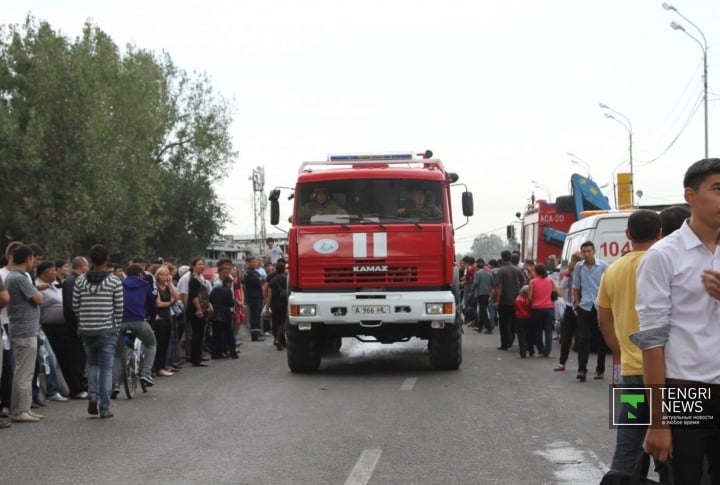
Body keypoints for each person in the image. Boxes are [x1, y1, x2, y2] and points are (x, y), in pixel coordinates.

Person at [631, 159, 720, 483]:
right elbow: (652, 340)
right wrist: (658, 421)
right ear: (691, 196)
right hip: (686, 392)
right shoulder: (663, 256)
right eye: (717, 189)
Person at [596, 209, 662, 474]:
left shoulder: (612, 270)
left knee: (627, 444)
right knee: (677, 446)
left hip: (631, 372)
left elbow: (603, 319)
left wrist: (620, 350)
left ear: (627, 235)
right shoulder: (664, 263)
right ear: (661, 234)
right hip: (665, 373)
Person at [73, 244, 123, 419]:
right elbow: (119, 308)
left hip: (87, 329)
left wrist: (84, 320)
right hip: (106, 330)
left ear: (91, 261)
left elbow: (75, 306)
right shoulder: (114, 281)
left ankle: (92, 394)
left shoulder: (80, 281)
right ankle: (104, 407)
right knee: (106, 368)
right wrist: (116, 326)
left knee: (92, 364)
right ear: (107, 260)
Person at [6, 245, 44, 423]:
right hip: (24, 331)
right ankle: (19, 410)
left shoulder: (16, 276)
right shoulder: (19, 278)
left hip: (25, 329)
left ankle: (25, 408)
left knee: (26, 372)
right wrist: (37, 292)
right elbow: (38, 298)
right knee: (23, 372)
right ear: (28, 259)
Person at [572, 240, 609, 382]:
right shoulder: (579, 267)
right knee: (582, 338)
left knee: (601, 339)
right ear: (582, 253)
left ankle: (600, 369)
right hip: (585, 306)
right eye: (584, 252)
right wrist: (577, 302)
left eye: (589, 251)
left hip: (600, 306)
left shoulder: (603, 266)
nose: (587, 254)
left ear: (594, 251)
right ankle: (582, 369)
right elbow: (576, 286)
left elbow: (608, 286)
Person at [61, 256, 89, 399]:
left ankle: (81, 384)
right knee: (77, 357)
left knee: (80, 356)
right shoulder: (73, 281)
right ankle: (77, 387)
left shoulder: (72, 280)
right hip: (74, 325)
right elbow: (72, 305)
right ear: (82, 266)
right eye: (87, 265)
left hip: (75, 324)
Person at [554, 251, 582, 372]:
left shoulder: (585, 273)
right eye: (574, 261)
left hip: (582, 306)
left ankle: (582, 365)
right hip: (571, 306)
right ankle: (562, 362)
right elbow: (562, 287)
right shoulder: (569, 274)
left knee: (582, 337)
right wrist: (568, 274)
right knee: (566, 337)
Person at [493, 250, 524, 351]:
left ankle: (504, 344)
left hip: (504, 302)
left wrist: (497, 301)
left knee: (503, 324)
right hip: (516, 301)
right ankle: (521, 344)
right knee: (517, 323)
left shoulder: (501, 271)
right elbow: (524, 281)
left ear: (502, 258)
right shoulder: (517, 270)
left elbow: (498, 287)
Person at [186, 257, 212, 366]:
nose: (202, 266)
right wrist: (198, 309)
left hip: (203, 307)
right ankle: (195, 359)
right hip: (195, 310)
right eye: (199, 264)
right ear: (193, 266)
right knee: (197, 334)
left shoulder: (201, 278)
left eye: (203, 264)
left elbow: (205, 294)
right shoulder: (193, 279)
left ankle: (198, 356)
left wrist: (209, 305)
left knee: (200, 334)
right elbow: (193, 296)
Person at [527, 263, 558, 358]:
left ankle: (541, 348)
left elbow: (529, 297)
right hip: (549, 308)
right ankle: (547, 351)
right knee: (549, 330)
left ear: (536, 271)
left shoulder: (532, 282)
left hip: (537, 309)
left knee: (537, 330)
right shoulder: (550, 281)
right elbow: (557, 292)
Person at [266, 261, 289, 350]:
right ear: (284, 269)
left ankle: (277, 338)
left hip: (275, 304)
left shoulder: (272, 281)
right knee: (284, 322)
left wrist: (267, 306)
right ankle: (280, 338)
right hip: (285, 303)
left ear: (276, 270)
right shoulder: (287, 279)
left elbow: (269, 295)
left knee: (276, 322)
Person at [514, 285, 532, 358]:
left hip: (520, 318)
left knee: (521, 336)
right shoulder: (530, 300)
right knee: (529, 335)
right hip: (528, 318)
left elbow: (516, 308)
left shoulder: (518, 299)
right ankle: (531, 350)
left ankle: (522, 352)